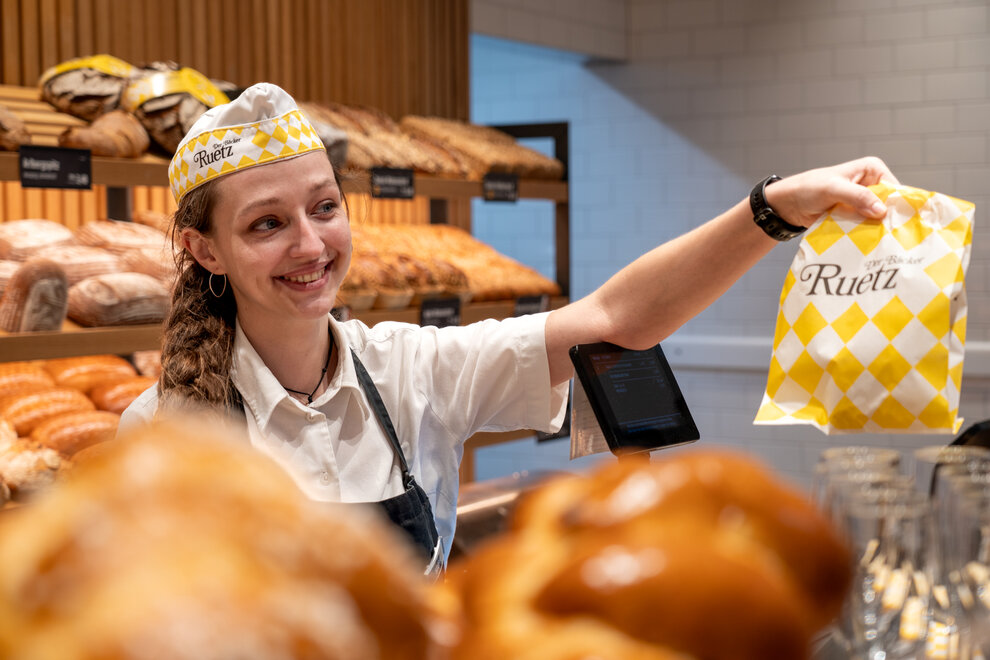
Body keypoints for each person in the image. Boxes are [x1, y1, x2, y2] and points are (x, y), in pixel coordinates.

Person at [120, 82, 899, 573]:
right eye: (267, 224)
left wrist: (773, 210)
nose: (310, 244)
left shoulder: (411, 371)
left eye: (325, 208)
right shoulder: (161, 429)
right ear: (205, 249)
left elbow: (615, 318)